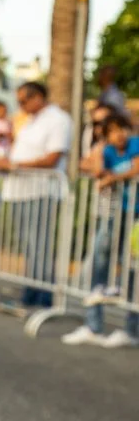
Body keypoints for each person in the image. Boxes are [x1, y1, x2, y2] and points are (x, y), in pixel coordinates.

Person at [0, 81, 73, 309]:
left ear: (37, 97)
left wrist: (15, 166)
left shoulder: (58, 119)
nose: (20, 106)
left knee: (40, 245)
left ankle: (43, 295)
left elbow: (52, 158)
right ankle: (30, 291)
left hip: (41, 191)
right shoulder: (28, 121)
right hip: (20, 192)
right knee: (28, 245)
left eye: (23, 101)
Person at [63, 113, 139, 348]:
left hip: (135, 217)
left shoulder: (135, 144)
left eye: (122, 129)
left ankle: (131, 329)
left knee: (133, 269)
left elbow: (136, 168)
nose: (119, 135)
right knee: (99, 261)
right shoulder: (106, 150)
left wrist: (112, 178)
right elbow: (95, 171)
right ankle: (93, 324)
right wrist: (99, 151)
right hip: (116, 215)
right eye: (112, 131)